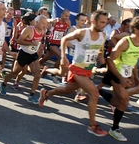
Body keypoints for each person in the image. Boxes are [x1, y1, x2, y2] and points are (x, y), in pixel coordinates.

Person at [39, 9, 108, 137]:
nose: (104, 25)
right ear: (93, 21)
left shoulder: (102, 36)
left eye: (106, 22)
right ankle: (93, 125)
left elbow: (100, 48)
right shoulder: (82, 33)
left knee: (68, 90)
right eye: (102, 22)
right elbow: (64, 39)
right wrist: (64, 57)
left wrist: (101, 57)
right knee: (94, 93)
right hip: (77, 69)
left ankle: (46, 93)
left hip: (88, 70)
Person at [98, 16, 139, 141]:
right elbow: (109, 59)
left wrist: (136, 76)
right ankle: (114, 129)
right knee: (124, 101)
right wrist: (120, 78)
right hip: (116, 73)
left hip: (126, 75)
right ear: (136, 30)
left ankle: (97, 90)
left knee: (117, 101)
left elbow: (134, 61)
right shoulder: (125, 42)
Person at [0, 15, 47, 103]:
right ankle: (3, 83)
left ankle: (32, 95)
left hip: (33, 55)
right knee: (14, 73)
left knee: (37, 75)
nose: (44, 25)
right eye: (43, 23)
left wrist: (40, 49)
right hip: (23, 54)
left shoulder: (43, 31)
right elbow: (19, 41)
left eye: (45, 23)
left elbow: (39, 43)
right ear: (36, 22)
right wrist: (31, 43)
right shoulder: (29, 30)